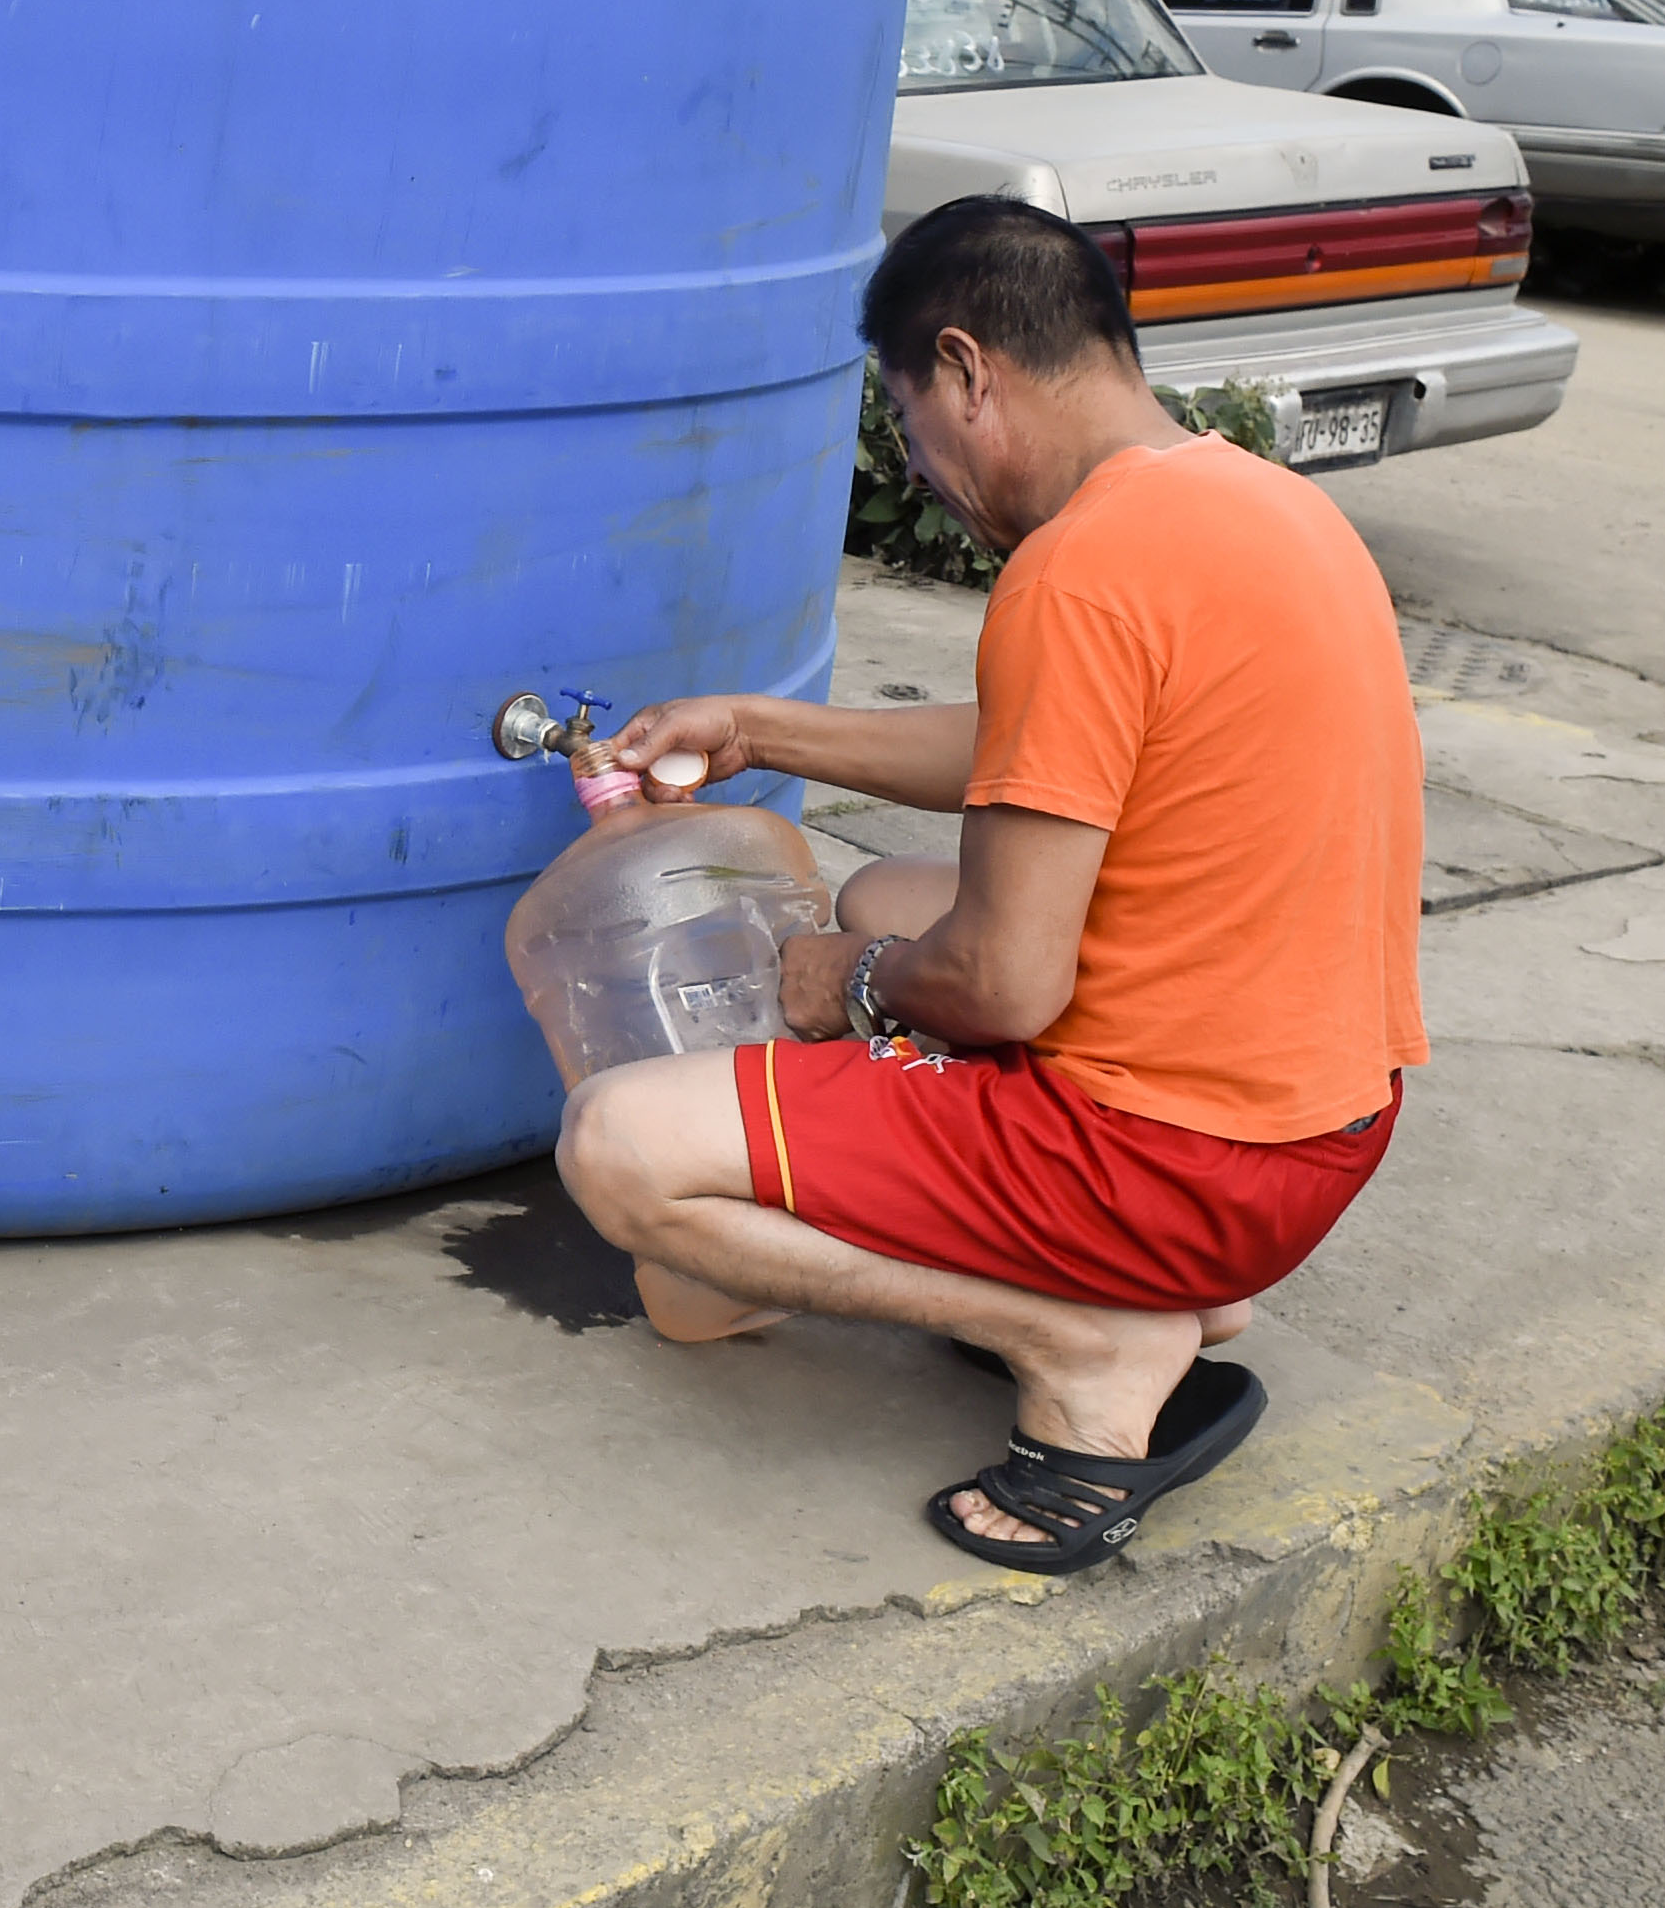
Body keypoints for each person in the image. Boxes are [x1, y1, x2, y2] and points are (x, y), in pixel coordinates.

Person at [555, 196, 1423, 1575]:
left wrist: (848, 991)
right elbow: (1038, 748)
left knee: (620, 1144)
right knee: (889, 893)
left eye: (908, 421)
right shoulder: (1263, 507)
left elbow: (1010, 989)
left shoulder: (1076, 571)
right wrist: (760, 729)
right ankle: (1159, 1288)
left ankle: (1080, 1342)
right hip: (1321, 1130)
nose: (925, 464)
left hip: (1170, 1161)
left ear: (966, 369)